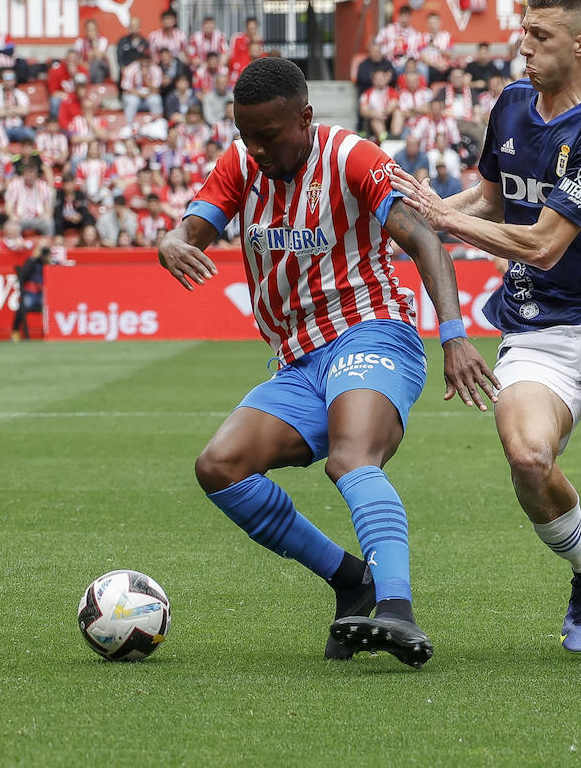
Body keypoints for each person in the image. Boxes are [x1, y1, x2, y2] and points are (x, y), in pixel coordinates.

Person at [389, 0, 581, 669]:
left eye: (541, 38)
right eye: (523, 33)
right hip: (535, 321)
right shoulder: (511, 105)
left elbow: (543, 243)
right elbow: (496, 198)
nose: (523, 48)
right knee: (528, 458)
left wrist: (443, 220)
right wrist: (429, 209)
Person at [155, 57, 497, 668]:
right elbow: (191, 231)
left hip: (373, 334)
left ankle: (396, 609)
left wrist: (453, 336)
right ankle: (350, 580)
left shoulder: (352, 158)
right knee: (220, 466)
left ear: (305, 119)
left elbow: (422, 236)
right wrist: (171, 244)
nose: (255, 150)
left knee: (351, 456)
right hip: (297, 360)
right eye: (246, 135)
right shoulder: (241, 163)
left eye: (268, 136)